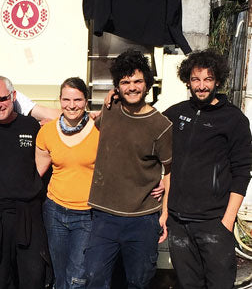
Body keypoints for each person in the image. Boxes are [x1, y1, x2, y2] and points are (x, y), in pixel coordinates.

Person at [163, 49, 252, 288]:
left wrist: (227, 221)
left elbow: (242, 172)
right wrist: (114, 101)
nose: (201, 86)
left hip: (214, 223)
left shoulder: (234, 120)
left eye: (208, 79)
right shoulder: (176, 113)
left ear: (218, 80)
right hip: (179, 224)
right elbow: (144, 130)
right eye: (196, 79)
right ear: (188, 81)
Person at [85, 50, 172, 289]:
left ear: (147, 84)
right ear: (117, 87)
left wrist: (164, 213)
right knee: (94, 279)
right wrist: (108, 99)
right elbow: (96, 123)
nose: (131, 87)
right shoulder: (110, 110)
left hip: (142, 219)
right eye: (125, 82)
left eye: (137, 81)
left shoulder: (161, 126)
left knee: (138, 282)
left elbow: (170, 170)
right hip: (104, 216)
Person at [0, 75, 51, 289]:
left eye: (3, 98)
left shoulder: (31, 126)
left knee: (33, 278)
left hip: (28, 216)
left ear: (13, 96)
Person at [35, 77, 99, 289]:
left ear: (86, 101)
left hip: (86, 215)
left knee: (77, 278)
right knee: (59, 275)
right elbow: (36, 172)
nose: (72, 105)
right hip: (55, 212)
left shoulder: (100, 130)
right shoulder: (47, 131)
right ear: (60, 100)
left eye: (78, 100)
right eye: (66, 99)